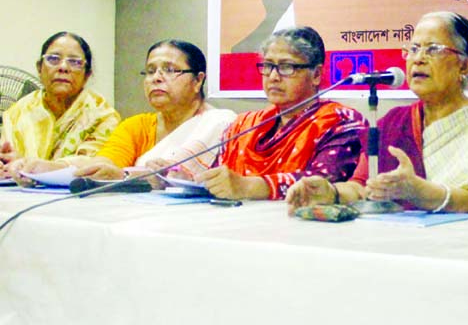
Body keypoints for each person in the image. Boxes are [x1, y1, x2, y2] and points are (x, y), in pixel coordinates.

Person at [286, 11, 468, 216]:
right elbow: (362, 186)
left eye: (433, 49)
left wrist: (423, 193)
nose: (418, 59)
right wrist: (330, 193)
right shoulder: (393, 123)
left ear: (465, 65)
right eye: (413, 49)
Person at [196, 26, 367, 200]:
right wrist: (188, 180)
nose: (273, 77)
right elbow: (218, 180)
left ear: (316, 74)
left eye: (286, 67)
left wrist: (251, 186)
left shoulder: (341, 121)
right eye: (268, 66)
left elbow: (321, 186)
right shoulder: (242, 126)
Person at [77, 40, 236, 180]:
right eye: (151, 71)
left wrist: (125, 176)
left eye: (170, 70)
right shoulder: (136, 126)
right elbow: (106, 162)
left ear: (198, 81)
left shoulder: (220, 124)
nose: (156, 78)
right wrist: (97, 169)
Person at [1, 32, 120, 185]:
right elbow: (8, 159)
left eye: (74, 62)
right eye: (53, 59)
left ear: (87, 74)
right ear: (39, 68)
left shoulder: (103, 116)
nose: (63, 67)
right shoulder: (17, 113)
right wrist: (6, 165)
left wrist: (45, 168)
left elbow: (97, 164)